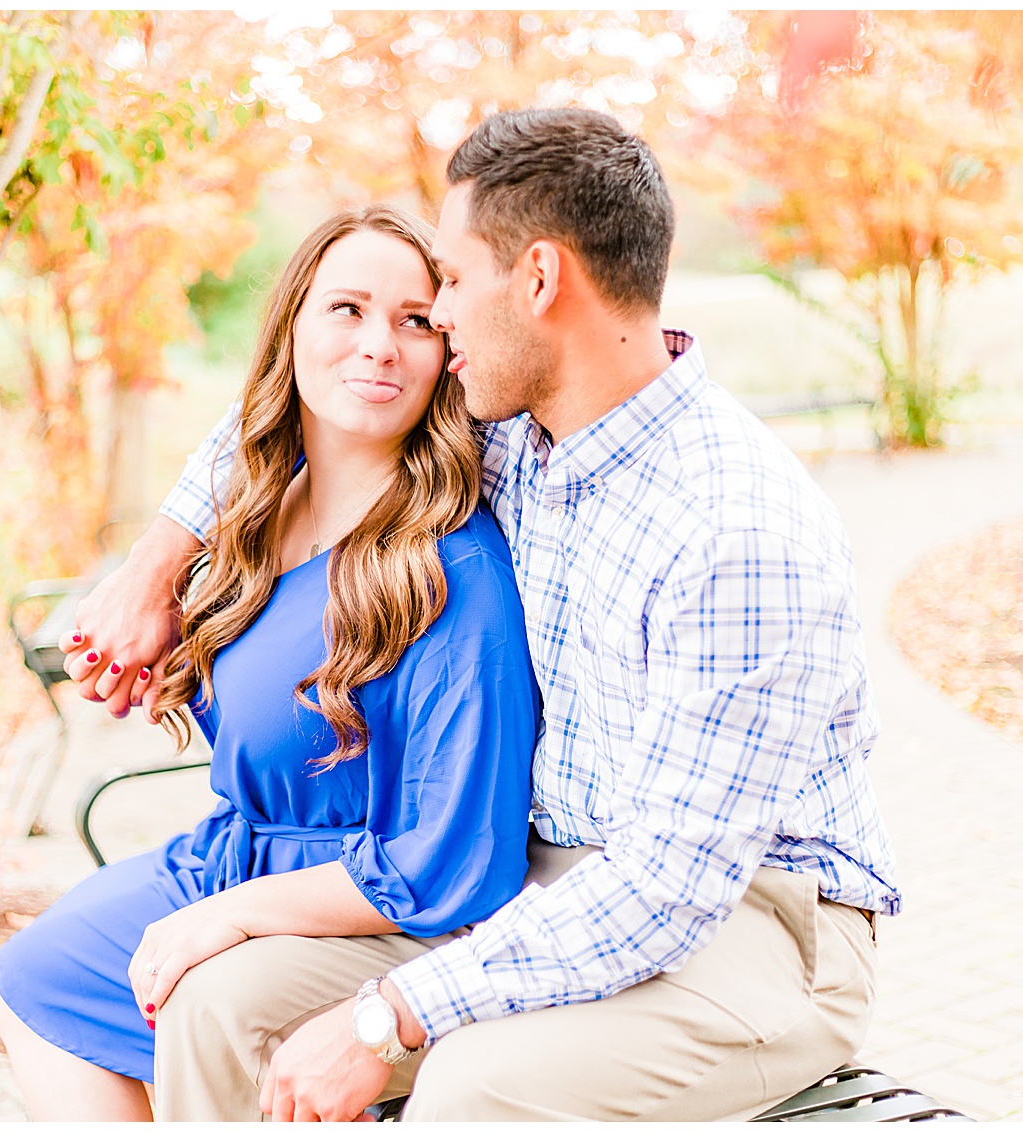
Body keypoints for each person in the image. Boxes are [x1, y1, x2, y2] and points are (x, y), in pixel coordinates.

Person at [66, 107, 903, 1122]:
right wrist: (160, 561)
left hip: (752, 926)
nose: (435, 321)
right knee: (217, 1007)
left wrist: (388, 1014)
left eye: (450, 286)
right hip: (540, 878)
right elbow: (296, 405)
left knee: (475, 1084)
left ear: (540, 279)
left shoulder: (736, 527)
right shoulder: (515, 435)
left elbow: (668, 890)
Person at [0, 204, 539, 1121]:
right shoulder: (253, 519)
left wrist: (235, 918)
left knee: (198, 1003)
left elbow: (452, 866)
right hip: (230, 856)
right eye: (347, 311)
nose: (380, 347)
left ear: (448, 353)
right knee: (34, 980)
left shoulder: (452, 574)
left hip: (369, 914)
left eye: (414, 321)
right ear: (293, 330)